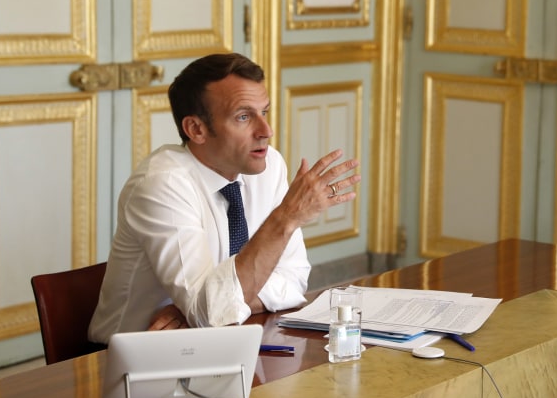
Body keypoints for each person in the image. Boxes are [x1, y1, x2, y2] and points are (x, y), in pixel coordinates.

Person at [88, 53, 360, 344]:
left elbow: (294, 280)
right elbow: (211, 314)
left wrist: (201, 311)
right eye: (243, 117)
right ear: (196, 129)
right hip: (128, 360)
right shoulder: (162, 184)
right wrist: (287, 217)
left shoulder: (269, 166)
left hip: (219, 343)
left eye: (264, 113)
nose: (266, 131)